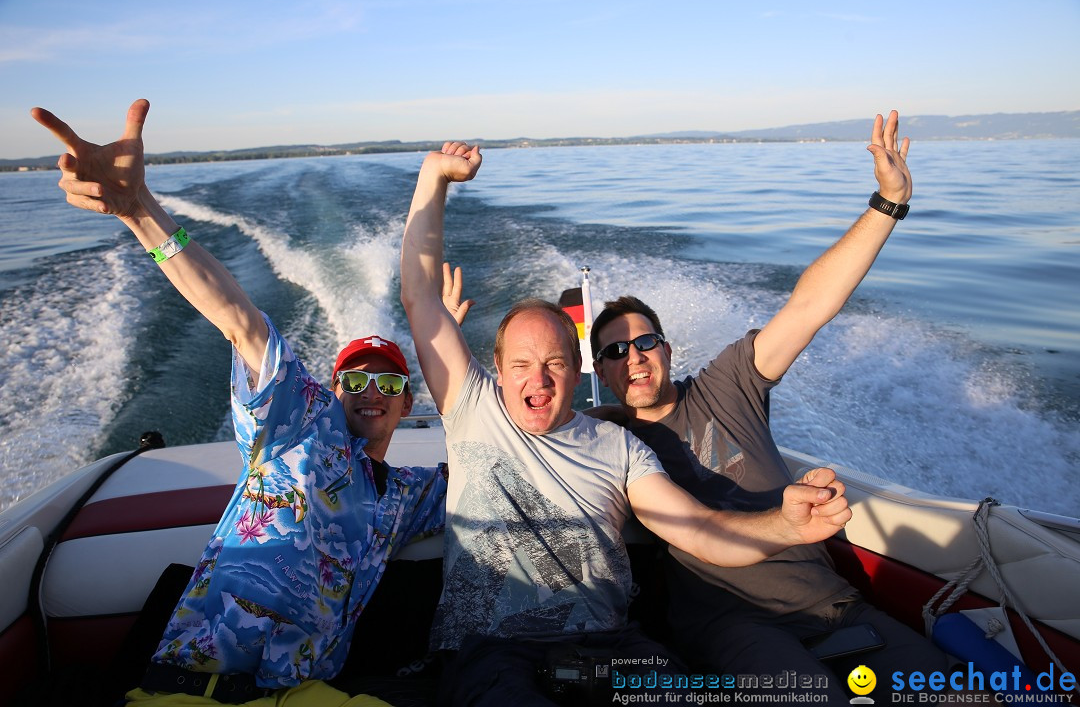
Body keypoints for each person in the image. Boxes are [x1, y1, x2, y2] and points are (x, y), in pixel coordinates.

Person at [398, 141, 854, 705]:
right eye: (520, 365)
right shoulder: (472, 408)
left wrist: (785, 527)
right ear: (496, 369)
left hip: (612, 648)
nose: (536, 381)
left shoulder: (619, 446)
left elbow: (698, 529)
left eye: (554, 364)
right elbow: (419, 297)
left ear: (577, 369)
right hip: (495, 650)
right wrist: (435, 177)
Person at [31, 99, 450, 706]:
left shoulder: (411, 494)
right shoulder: (300, 425)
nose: (370, 392)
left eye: (388, 383)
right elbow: (239, 319)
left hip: (304, 692)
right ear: (332, 393)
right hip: (195, 688)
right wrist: (140, 212)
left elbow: (494, 455)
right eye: (354, 379)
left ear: (408, 403)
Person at [588, 111, 949, 700]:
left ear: (667, 348)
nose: (634, 357)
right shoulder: (608, 438)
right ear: (600, 371)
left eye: (646, 341)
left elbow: (808, 307)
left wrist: (888, 202)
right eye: (616, 350)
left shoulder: (728, 384)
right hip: (731, 623)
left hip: (834, 605)